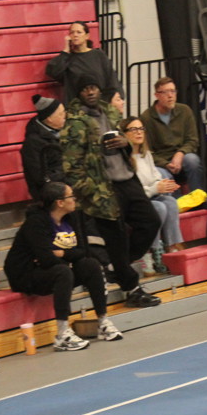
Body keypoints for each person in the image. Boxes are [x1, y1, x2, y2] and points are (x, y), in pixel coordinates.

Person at [62, 78, 162, 307]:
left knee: (151, 222)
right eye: (84, 89)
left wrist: (124, 143)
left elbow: (127, 141)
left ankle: (116, 266)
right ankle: (131, 288)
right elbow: (71, 164)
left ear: (99, 89)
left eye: (93, 87)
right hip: (102, 187)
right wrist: (89, 190)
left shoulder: (111, 112)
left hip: (127, 178)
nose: (90, 92)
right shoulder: (74, 122)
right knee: (115, 238)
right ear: (78, 93)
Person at [4, 182, 124, 351]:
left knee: (90, 265)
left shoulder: (72, 218)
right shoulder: (36, 222)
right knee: (63, 272)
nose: (74, 199)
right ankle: (62, 334)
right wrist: (66, 257)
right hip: (25, 275)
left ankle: (102, 321)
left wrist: (62, 253)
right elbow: (46, 259)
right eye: (71, 196)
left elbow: (83, 252)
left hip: (52, 268)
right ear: (60, 202)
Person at [121, 116, 183, 274]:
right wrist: (156, 188)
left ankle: (171, 248)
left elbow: (155, 177)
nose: (138, 132)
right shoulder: (124, 159)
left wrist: (164, 185)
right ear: (124, 134)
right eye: (133, 129)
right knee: (158, 207)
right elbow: (133, 190)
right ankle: (149, 251)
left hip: (150, 195)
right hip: (134, 203)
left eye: (141, 129)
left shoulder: (146, 154)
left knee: (170, 202)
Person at [139, 77, 206, 196]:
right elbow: (147, 151)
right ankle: (176, 204)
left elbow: (193, 140)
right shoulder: (146, 117)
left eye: (173, 91)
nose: (170, 96)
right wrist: (165, 164)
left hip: (183, 155)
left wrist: (180, 153)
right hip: (161, 161)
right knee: (163, 175)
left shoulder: (184, 111)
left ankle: (199, 198)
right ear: (157, 95)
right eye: (165, 92)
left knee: (192, 161)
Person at [45, 21, 121, 103]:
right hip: (77, 106)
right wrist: (66, 51)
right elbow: (53, 72)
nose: (75, 35)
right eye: (72, 32)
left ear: (87, 36)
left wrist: (113, 98)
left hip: (99, 104)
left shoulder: (98, 55)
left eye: (79, 32)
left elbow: (111, 78)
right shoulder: (67, 58)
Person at [21, 95, 67, 201]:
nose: (65, 116)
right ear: (49, 118)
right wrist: (68, 173)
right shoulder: (33, 143)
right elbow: (41, 177)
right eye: (61, 114)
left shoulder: (63, 132)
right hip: (50, 194)